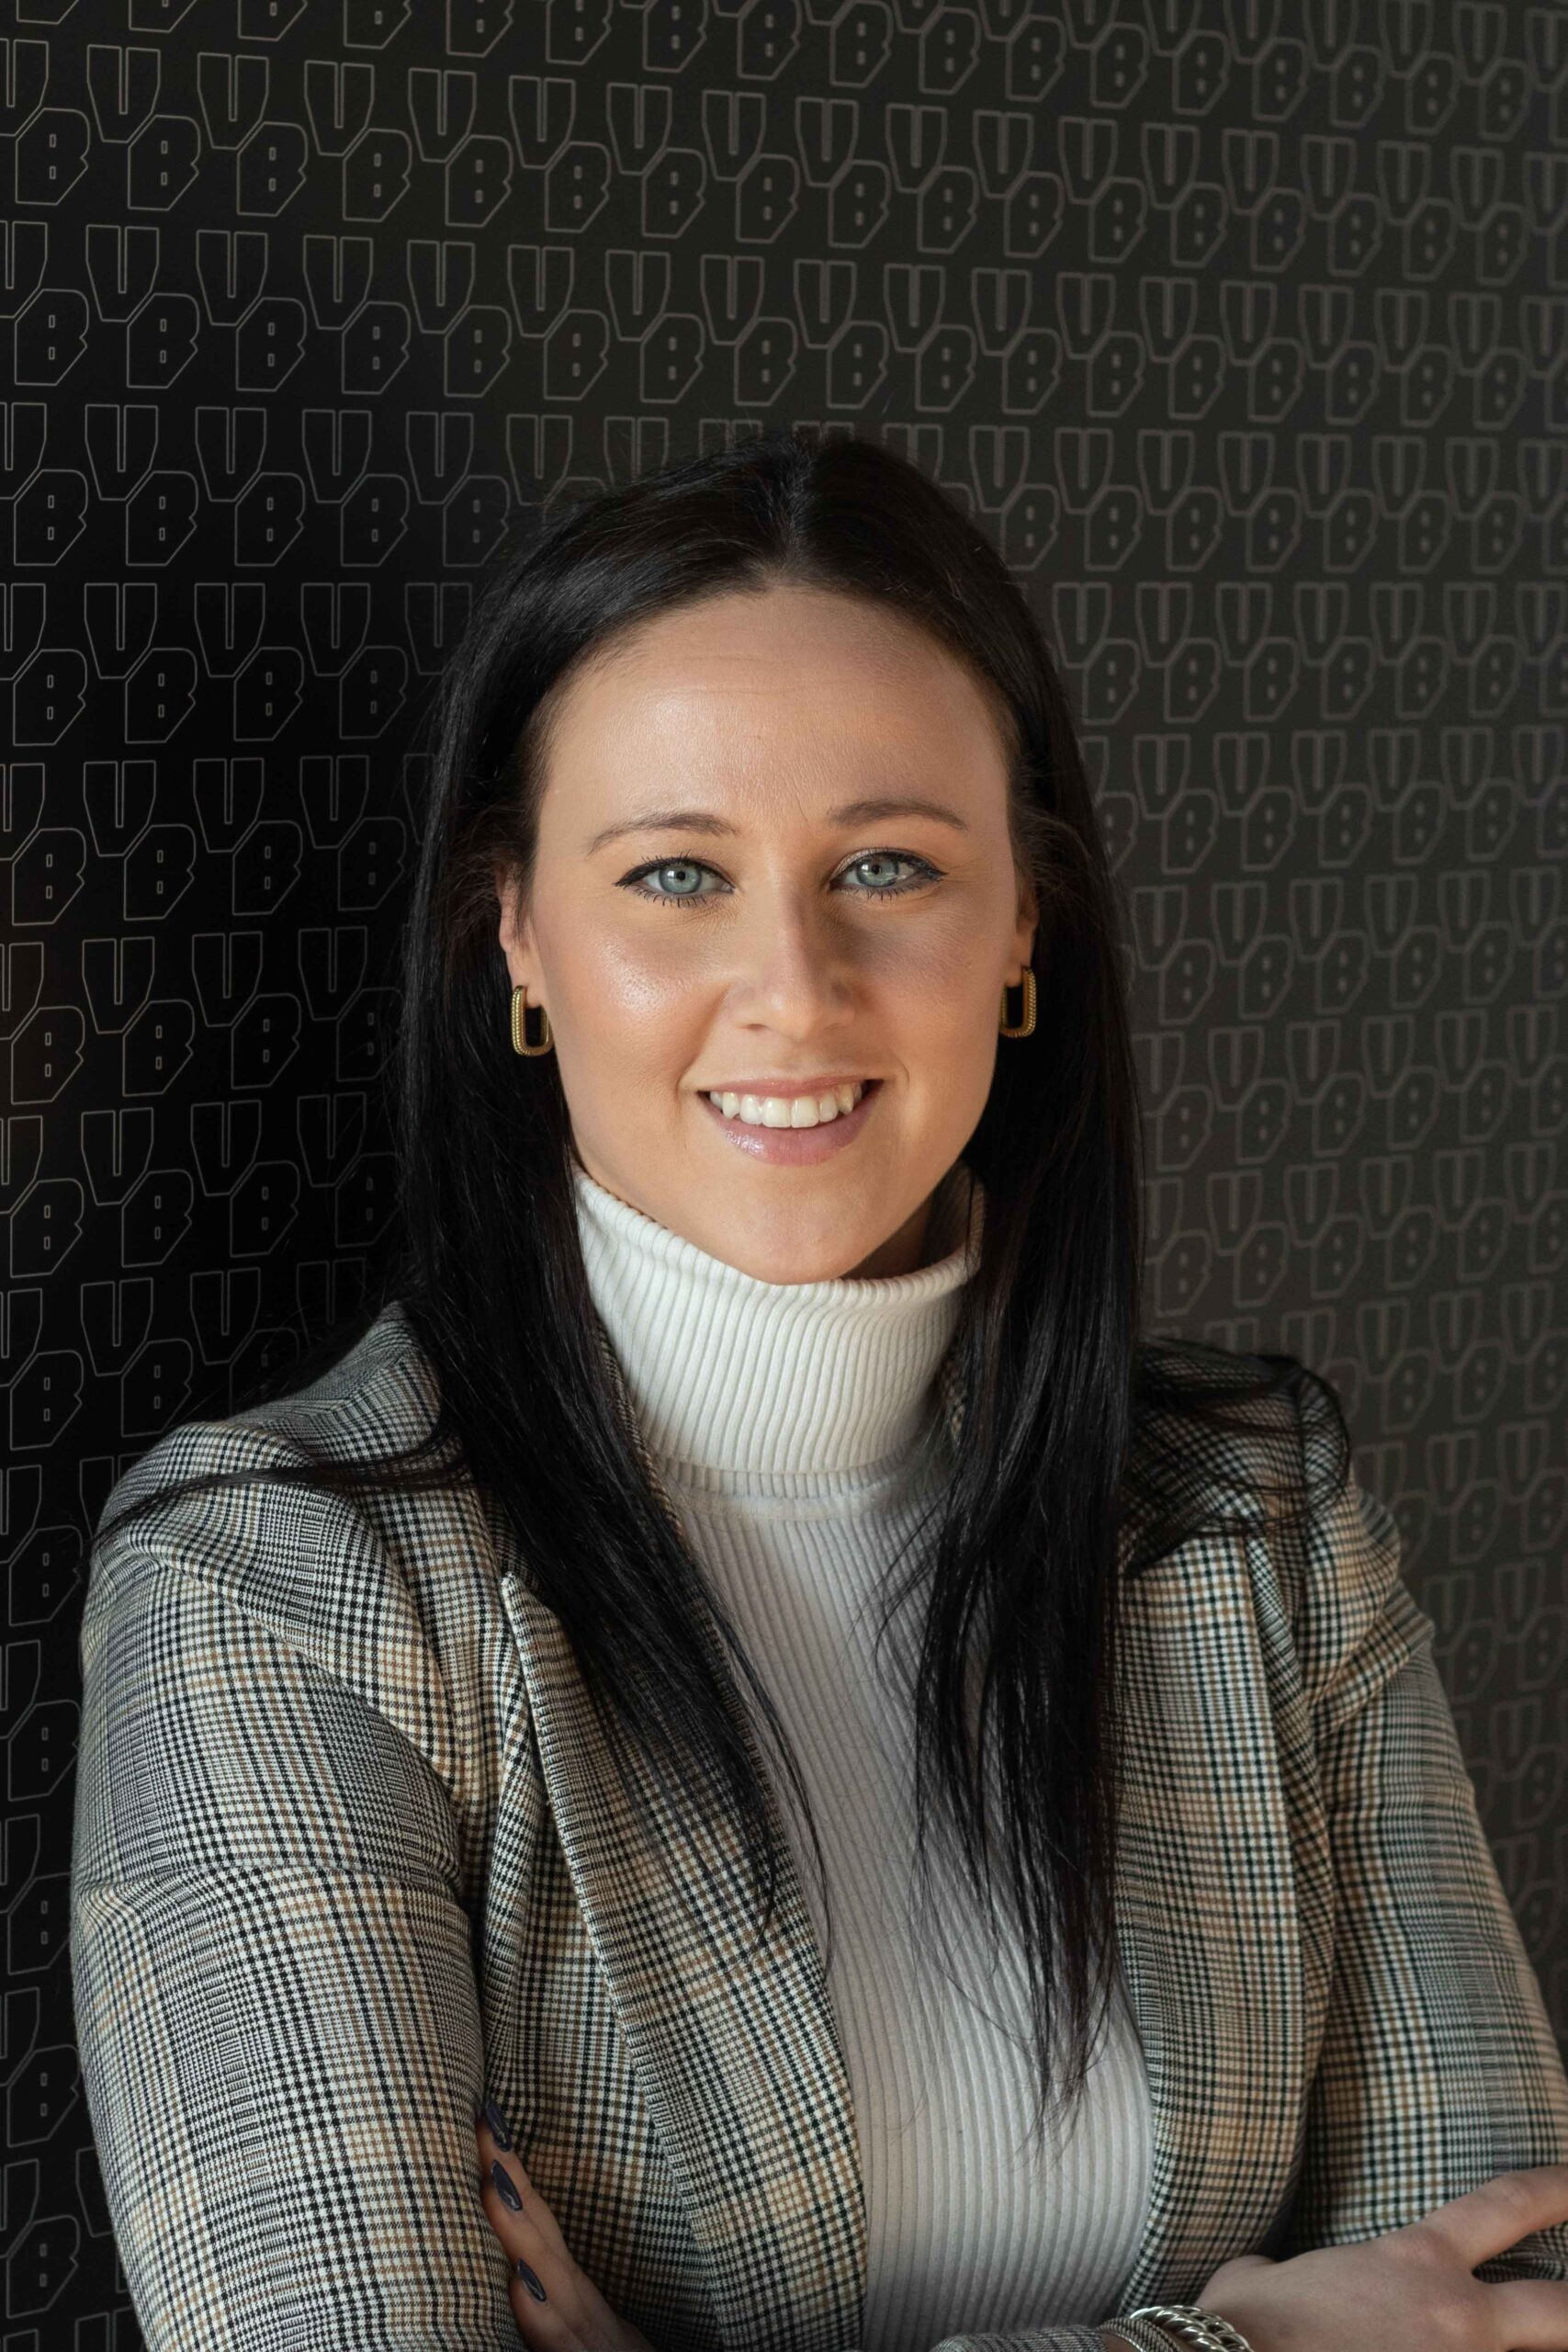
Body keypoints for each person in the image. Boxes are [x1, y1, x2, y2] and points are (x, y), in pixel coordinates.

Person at [69, 429, 1568, 2352]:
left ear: (1021, 924)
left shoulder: (1253, 1516)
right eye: (675, 874)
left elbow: (1500, 2300)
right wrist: (1258, 2340)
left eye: (886, 865)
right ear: (515, 932)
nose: (793, 985)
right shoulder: (276, 1586)